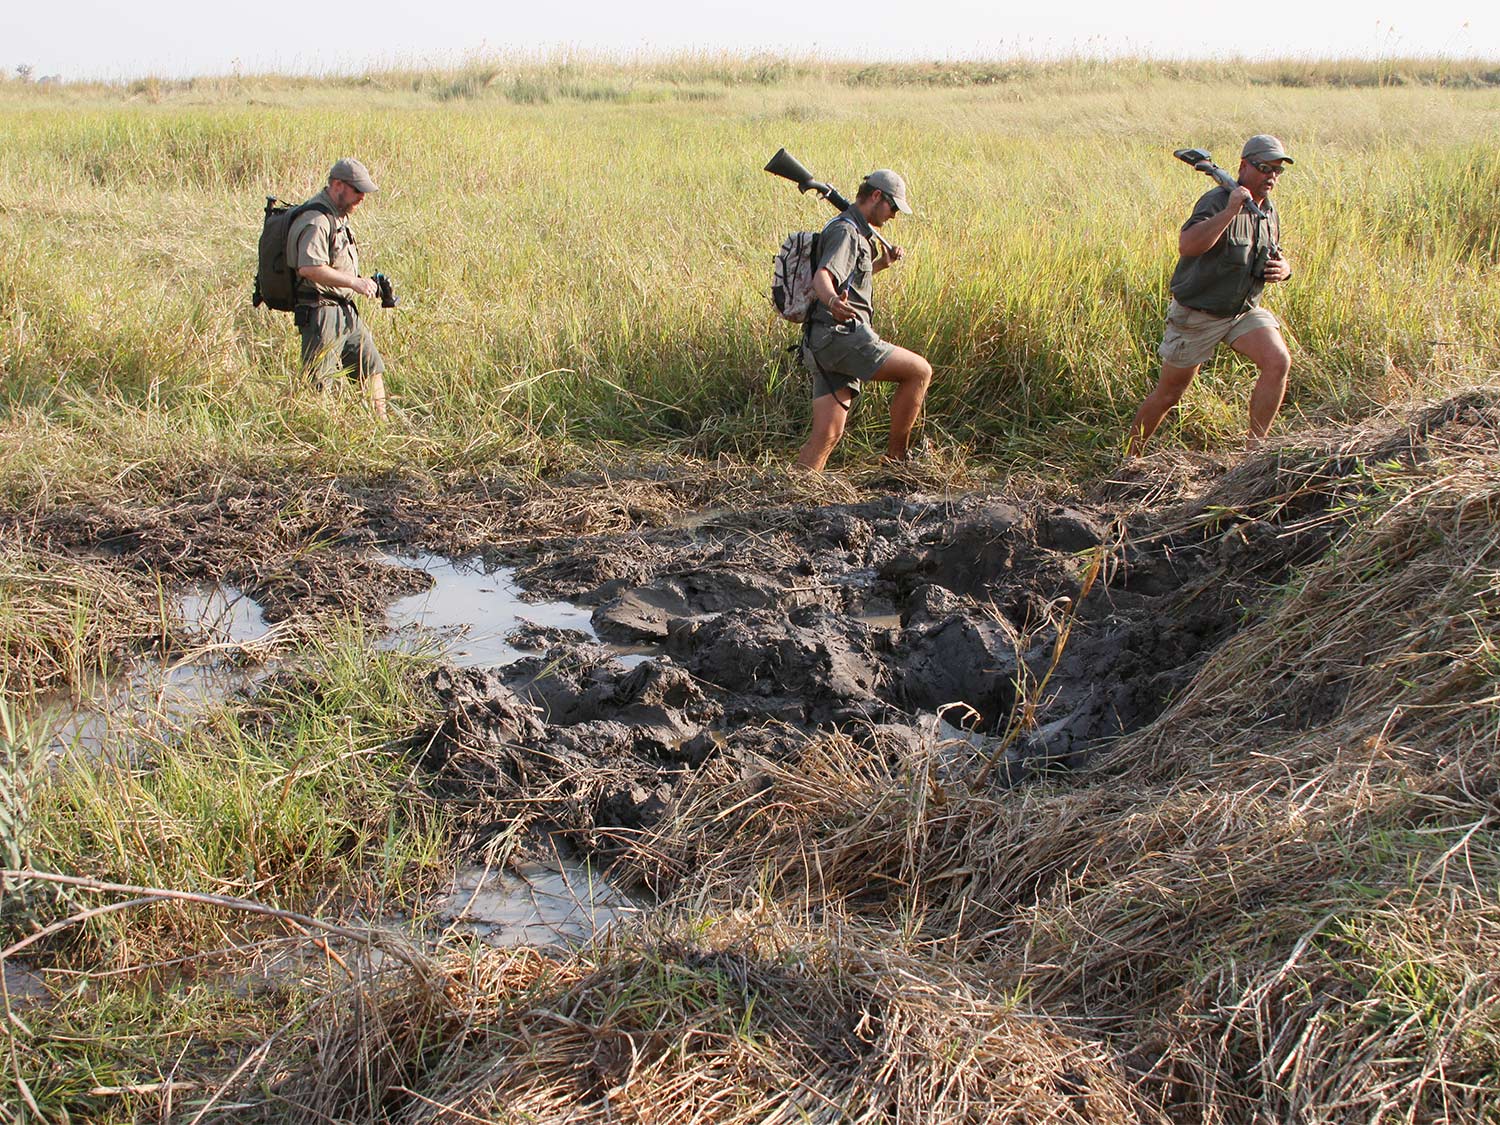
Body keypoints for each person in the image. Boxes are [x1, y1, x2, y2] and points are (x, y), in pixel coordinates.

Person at [1126, 134, 1296, 457]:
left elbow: (1274, 254)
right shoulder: (1217, 202)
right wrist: (1229, 212)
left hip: (1241, 311)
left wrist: (1284, 269)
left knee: (1278, 361)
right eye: (1264, 168)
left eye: (1277, 170)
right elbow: (1187, 245)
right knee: (1168, 394)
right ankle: (1128, 458)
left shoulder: (1268, 212)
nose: (1271, 176)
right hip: (1198, 315)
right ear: (1244, 166)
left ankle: (1252, 455)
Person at [795, 169, 933, 471]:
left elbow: (850, 278)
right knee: (919, 372)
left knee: (828, 434)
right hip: (842, 336)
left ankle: (793, 494)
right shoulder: (847, 232)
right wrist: (832, 302)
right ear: (875, 197)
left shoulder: (851, 229)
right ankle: (897, 461)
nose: (894, 215)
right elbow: (824, 277)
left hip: (822, 341)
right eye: (893, 207)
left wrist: (880, 264)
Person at [287, 157, 389, 421]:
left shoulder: (337, 217)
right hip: (321, 312)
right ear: (337, 185)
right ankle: (312, 434)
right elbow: (309, 268)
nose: (362, 197)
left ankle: (382, 427)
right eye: (357, 190)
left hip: (345, 310)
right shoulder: (317, 219)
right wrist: (354, 282)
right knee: (318, 384)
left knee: (370, 368)